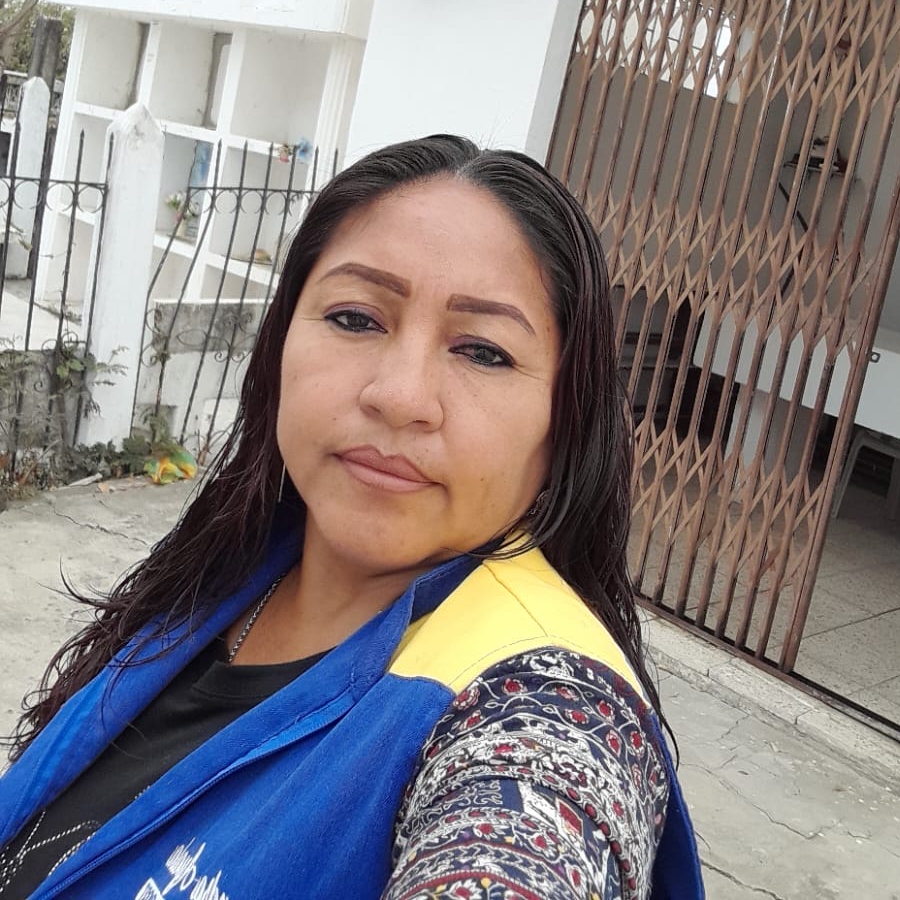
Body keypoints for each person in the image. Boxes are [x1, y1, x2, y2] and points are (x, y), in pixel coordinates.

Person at [0, 134, 703, 900]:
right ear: (280, 342)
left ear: (564, 421)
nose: (399, 396)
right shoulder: (223, 575)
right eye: (356, 318)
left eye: (483, 352)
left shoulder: (548, 706)